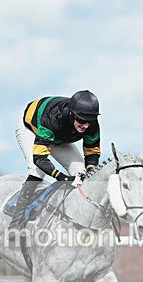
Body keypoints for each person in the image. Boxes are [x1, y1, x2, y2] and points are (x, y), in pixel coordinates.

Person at [9, 90, 101, 231]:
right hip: (31, 129)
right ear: (71, 113)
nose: (86, 125)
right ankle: (16, 222)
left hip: (59, 137)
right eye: (82, 120)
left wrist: (89, 171)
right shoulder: (54, 117)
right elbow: (40, 158)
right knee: (37, 170)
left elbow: (92, 152)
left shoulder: (91, 124)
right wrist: (63, 178)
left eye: (90, 121)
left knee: (81, 172)